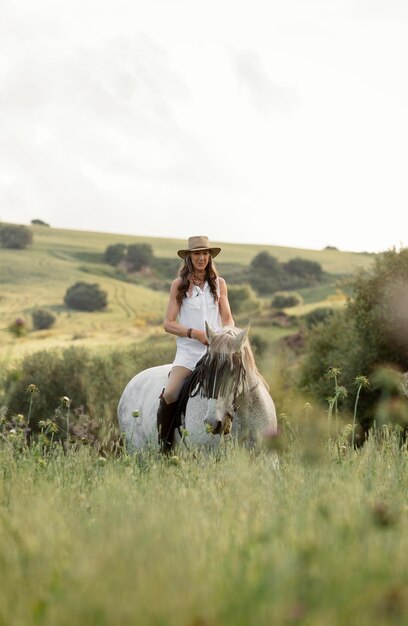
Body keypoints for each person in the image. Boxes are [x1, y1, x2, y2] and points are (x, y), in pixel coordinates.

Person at [157, 235, 235, 453]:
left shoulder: (219, 284)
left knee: (239, 383)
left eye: (205, 253)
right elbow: (168, 324)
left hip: (216, 352)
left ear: (210, 256)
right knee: (171, 393)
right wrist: (194, 333)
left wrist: (226, 335)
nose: (201, 258)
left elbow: (228, 318)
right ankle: (165, 445)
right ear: (189, 257)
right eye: (197, 254)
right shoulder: (179, 285)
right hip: (189, 353)